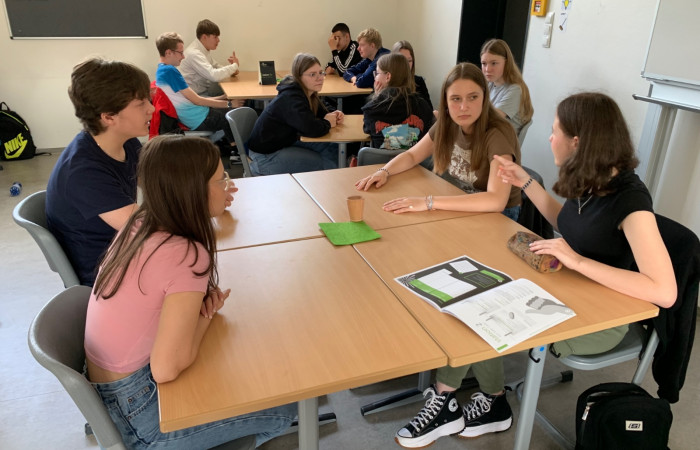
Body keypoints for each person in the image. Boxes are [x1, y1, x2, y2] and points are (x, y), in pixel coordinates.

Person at [392, 92, 677, 449]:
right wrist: (526, 182)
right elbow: (567, 223)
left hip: (603, 320)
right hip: (569, 288)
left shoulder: (632, 202)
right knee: (475, 297)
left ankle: (459, 400)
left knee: (488, 317)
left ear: (577, 142)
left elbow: (664, 291)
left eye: (556, 131)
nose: (550, 137)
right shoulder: (593, 177)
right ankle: (486, 400)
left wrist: (577, 261)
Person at [85, 135, 296, 449]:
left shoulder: (140, 221)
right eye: (222, 180)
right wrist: (204, 319)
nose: (230, 186)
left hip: (113, 396)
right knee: (285, 409)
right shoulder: (185, 254)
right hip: (142, 417)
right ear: (192, 190)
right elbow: (165, 369)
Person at [355, 63, 522, 222]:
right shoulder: (448, 122)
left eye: (473, 97)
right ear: (446, 101)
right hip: (461, 199)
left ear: (484, 98)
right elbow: (412, 155)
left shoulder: (498, 133)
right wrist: (384, 171)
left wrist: (428, 202)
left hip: (498, 215)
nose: (464, 107)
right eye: (456, 99)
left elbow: (496, 200)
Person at [46, 58, 153, 286]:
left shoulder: (125, 141)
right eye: (141, 103)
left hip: (128, 251)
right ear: (108, 117)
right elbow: (147, 229)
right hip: (107, 275)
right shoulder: (83, 173)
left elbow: (155, 181)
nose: (151, 109)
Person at [247, 53, 343, 175]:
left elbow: (320, 112)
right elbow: (311, 128)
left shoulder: (306, 92)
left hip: (283, 142)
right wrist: (328, 122)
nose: (320, 78)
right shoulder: (291, 97)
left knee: (333, 148)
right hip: (266, 156)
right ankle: (334, 180)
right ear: (299, 76)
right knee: (323, 162)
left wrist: (333, 114)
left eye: (321, 73)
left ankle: (336, 174)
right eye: (312, 74)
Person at [155, 32, 236, 142]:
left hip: (196, 115)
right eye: (181, 53)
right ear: (168, 52)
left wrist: (222, 98)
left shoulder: (162, 71)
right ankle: (236, 150)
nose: (183, 56)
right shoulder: (170, 71)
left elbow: (192, 98)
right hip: (199, 119)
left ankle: (232, 146)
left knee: (230, 109)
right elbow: (197, 100)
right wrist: (230, 104)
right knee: (235, 115)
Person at [361, 53, 434, 150]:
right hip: (415, 159)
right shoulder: (422, 105)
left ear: (388, 77)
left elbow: (367, 129)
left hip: (381, 159)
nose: (375, 77)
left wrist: (377, 97)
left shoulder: (372, 108)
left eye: (377, 73)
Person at [480, 39, 534, 135]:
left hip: (501, 140)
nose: (487, 69)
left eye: (494, 63)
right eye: (484, 64)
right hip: (489, 135)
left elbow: (490, 120)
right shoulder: (490, 84)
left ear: (507, 63)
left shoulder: (515, 90)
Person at [178, 19, 243, 98]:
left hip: (202, 94)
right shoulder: (194, 54)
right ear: (204, 37)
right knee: (237, 100)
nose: (218, 40)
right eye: (215, 37)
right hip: (195, 98)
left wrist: (232, 71)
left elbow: (215, 66)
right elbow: (214, 75)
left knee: (238, 95)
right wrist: (235, 65)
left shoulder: (202, 50)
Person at [392, 40, 433, 109]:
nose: (407, 65)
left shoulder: (419, 81)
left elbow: (429, 109)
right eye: (403, 61)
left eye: (409, 61)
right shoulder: (387, 81)